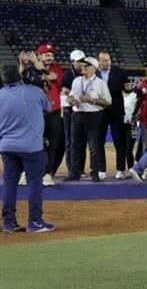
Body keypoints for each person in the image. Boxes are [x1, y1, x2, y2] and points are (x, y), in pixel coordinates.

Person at [0, 64, 54, 233]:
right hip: (32, 147)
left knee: (9, 183)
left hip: (7, 146)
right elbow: (49, 108)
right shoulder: (34, 91)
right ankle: (35, 222)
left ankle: (8, 223)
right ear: (20, 77)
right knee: (34, 183)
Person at [66, 57, 112, 182]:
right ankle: (74, 172)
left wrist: (92, 100)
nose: (83, 67)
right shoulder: (77, 81)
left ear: (94, 68)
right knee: (75, 145)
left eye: (87, 65)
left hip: (93, 116)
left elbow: (108, 102)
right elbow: (71, 96)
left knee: (93, 146)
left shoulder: (100, 83)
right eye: (83, 65)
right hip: (77, 115)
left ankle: (95, 173)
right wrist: (71, 100)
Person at [97, 51, 128, 175]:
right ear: (99, 61)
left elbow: (127, 88)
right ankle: (101, 170)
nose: (106, 63)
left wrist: (128, 89)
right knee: (99, 142)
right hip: (99, 112)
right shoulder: (94, 73)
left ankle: (120, 170)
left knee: (119, 141)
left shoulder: (120, 72)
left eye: (107, 60)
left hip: (117, 112)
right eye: (103, 60)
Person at [37, 45, 63, 187]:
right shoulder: (31, 69)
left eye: (52, 55)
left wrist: (38, 68)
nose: (50, 57)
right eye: (46, 54)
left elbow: (52, 76)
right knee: (33, 143)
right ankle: (27, 172)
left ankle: (48, 173)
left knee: (52, 144)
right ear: (39, 55)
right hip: (36, 112)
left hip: (53, 111)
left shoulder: (57, 68)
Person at [60, 50, 88, 180]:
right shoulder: (68, 74)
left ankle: (80, 169)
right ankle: (72, 169)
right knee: (70, 141)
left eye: (83, 60)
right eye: (79, 61)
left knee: (82, 141)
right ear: (72, 62)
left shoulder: (86, 73)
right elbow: (64, 89)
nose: (81, 63)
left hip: (83, 111)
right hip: (70, 110)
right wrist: (73, 94)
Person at [120, 81, 138, 175]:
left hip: (132, 126)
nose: (128, 86)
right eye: (126, 84)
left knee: (129, 149)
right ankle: (121, 170)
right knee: (121, 149)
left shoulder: (135, 96)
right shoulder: (118, 96)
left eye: (130, 84)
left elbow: (139, 109)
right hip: (120, 125)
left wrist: (134, 118)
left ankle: (131, 169)